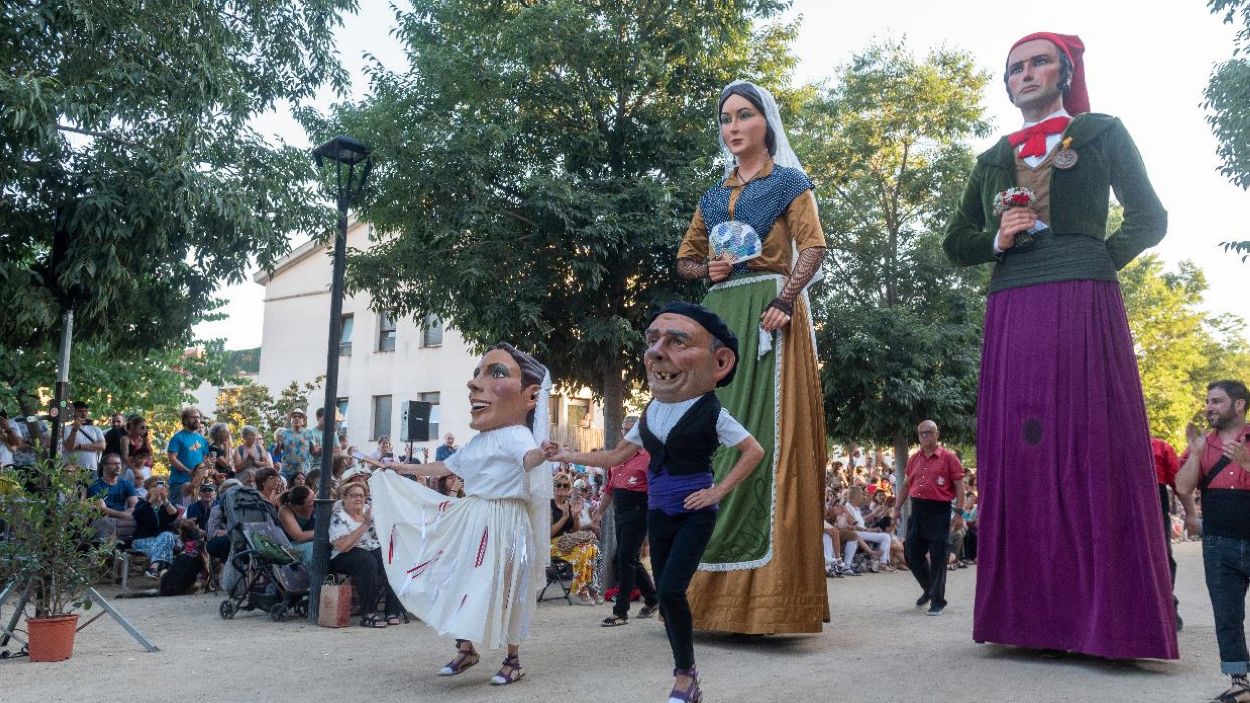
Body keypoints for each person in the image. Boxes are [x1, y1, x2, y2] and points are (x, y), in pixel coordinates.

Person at [942, 32, 1175, 659]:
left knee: (1090, 441)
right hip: (1012, 298)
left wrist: (1097, 259)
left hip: (1081, 297)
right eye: (1014, 68)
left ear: (1065, 72)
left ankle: (1109, 623)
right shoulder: (993, 156)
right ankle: (1030, 620)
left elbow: (1150, 217)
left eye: (1038, 62)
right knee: (1022, 446)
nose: (1025, 74)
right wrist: (996, 239)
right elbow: (954, 241)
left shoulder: (1100, 133)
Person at [546, 303, 763, 703]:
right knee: (664, 594)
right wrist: (565, 455)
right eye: (652, 341)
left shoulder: (713, 412)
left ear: (719, 362)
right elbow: (613, 458)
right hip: (657, 512)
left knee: (672, 589)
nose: (657, 351)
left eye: (676, 340)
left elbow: (754, 451)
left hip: (694, 513)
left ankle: (685, 676)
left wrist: (716, 492)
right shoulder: (652, 412)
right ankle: (687, 674)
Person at [674, 79, 828, 635]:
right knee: (710, 441)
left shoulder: (789, 184)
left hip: (768, 310)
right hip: (719, 319)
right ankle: (699, 595)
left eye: (744, 115)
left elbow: (812, 246)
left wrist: (786, 299)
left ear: (766, 122)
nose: (733, 126)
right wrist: (707, 270)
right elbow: (687, 260)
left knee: (766, 439)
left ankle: (767, 600)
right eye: (725, 118)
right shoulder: (713, 197)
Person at [365, 343, 554, 686]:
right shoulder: (480, 441)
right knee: (459, 578)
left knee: (509, 587)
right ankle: (466, 648)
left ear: (530, 397)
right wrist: (394, 466)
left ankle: (513, 660)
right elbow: (445, 465)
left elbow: (528, 460)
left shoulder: (516, 435)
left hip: (507, 519)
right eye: (477, 374)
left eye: (495, 373)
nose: (474, 384)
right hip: (475, 515)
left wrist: (542, 454)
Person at [1176, 380, 1250, 703]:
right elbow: (1182, 485)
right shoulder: (1202, 444)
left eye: (1217, 401)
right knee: (1227, 614)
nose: (1209, 407)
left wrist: (1247, 463)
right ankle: (1240, 684)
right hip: (1219, 542)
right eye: (1208, 401)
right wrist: (1194, 455)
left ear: (1239, 405)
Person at [594, 415, 660, 627]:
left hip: (638, 512)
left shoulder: (648, 457)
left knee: (624, 559)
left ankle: (620, 612)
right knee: (629, 559)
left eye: (632, 429)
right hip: (619, 513)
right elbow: (609, 488)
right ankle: (652, 599)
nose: (628, 433)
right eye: (625, 429)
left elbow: (655, 490)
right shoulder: (617, 457)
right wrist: (598, 512)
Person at [895, 420, 964, 615]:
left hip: (939, 512)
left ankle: (937, 601)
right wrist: (897, 508)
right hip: (917, 510)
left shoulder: (949, 458)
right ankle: (929, 589)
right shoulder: (913, 459)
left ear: (936, 434)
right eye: (921, 433)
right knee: (911, 554)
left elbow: (960, 487)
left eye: (929, 432)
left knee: (938, 557)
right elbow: (906, 485)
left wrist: (959, 513)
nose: (925, 436)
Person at [328, 481, 403, 629]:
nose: (359, 499)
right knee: (367, 561)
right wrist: (364, 525)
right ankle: (368, 614)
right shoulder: (339, 516)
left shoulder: (369, 510)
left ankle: (392, 611)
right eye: (354, 495)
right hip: (343, 555)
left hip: (369, 550)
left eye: (362, 496)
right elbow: (342, 546)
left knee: (393, 559)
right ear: (344, 498)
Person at [1154, 434, 1200, 632]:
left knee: (1162, 557)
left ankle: (1167, 608)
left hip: (1155, 501)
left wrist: (1191, 515)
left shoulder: (1160, 447)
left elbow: (1179, 484)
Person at [549, 475, 601, 605]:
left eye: (565, 485)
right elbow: (548, 533)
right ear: (553, 487)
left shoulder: (568, 505)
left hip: (567, 542)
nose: (562, 488)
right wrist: (564, 517)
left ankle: (591, 587)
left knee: (594, 549)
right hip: (550, 544)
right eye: (559, 485)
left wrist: (576, 516)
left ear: (569, 489)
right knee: (583, 551)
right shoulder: (548, 506)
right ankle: (581, 590)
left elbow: (575, 531)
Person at [132, 476, 181, 578]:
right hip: (142, 541)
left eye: (160, 486)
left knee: (167, 536)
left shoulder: (167, 505)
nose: (157, 489)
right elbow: (137, 515)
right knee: (167, 542)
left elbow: (174, 515)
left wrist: (165, 500)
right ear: (148, 489)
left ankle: (154, 568)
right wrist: (150, 501)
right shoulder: (142, 503)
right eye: (153, 486)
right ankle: (165, 571)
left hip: (162, 541)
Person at [89, 453, 138, 540]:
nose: (118, 466)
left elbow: (135, 505)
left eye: (119, 464)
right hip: (103, 519)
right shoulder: (95, 485)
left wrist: (130, 512)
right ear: (104, 466)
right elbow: (102, 509)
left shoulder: (126, 484)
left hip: (123, 520)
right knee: (104, 523)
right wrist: (123, 515)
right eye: (114, 464)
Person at [165, 407, 208, 499]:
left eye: (198, 417)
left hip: (198, 484)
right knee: (179, 512)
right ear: (185, 420)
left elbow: (205, 460)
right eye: (193, 417)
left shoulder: (202, 439)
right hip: (180, 483)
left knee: (194, 512)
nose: (197, 420)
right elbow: (172, 458)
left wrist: (211, 474)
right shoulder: (178, 437)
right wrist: (188, 471)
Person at [62, 400, 105, 474]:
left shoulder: (96, 429)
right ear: (73, 413)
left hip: (91, 470)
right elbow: (69, 446)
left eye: (86, 411)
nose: (84, 414)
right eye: (80, 411)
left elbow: (101, 446)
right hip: (71, 470)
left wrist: (78, 446)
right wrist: (75, 429)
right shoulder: (67, 429)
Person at [275, 409, 318, 482]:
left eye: (300, 417)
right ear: (290, 420)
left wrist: (320, 450)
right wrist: (278, 444)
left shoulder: (308, 432)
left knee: (302, 492)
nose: (297, 418)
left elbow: (313, 452)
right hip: (287, 471)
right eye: (294, 416)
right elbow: (276, 453)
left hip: (303, 472)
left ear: (303, 421)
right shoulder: (284, 433)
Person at [278, 485, 315, 563]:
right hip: (289, 547)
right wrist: (323, 530)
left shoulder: (315, 505)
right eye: (310, 504)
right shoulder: (285, 510)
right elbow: (299, 536)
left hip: (312, 542)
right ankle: (310, 574)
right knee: (312, 547)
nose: (313, 505)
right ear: (297, 506)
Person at [120, 415, 154, 488]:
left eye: (146, 427)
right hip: (128, 470)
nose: (145, 430)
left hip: (143, 469)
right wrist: (135, 470)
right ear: (134, 427)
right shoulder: (125, 439)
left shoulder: (144, 439)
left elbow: (150, 454)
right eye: (142, 427)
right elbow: (125, 458)